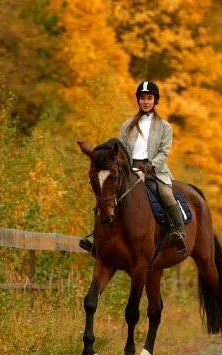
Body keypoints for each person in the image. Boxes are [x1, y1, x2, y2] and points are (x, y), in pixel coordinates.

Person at [80, 80, 186, 256]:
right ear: (138, 100)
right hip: (129, 169)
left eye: (149, 98)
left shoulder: (165, 126)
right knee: (106, 194)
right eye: (143, 98)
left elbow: (164, 153)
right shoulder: (127, 125)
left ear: (155, 101)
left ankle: (178, 232)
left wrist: (150, 165)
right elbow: (121, 149)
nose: (146, 101)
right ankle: (96, 239)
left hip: (154, 170)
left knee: (167, 194)